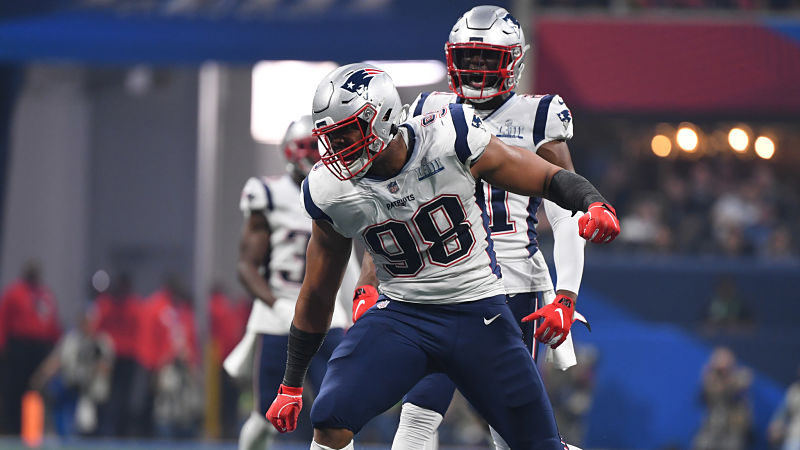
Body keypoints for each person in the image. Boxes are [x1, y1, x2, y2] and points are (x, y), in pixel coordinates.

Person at [265, 62, 619, 450]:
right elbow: (317, 292)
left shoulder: (450, 136)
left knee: (537, 444)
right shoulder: (330, 189)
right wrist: (291, 383)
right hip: (402, 316)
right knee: (330, 417)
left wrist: (594, 203)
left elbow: (545, 176)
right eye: (331, 138)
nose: (337, 150)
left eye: (348, 132)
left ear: (382, 118)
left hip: (478, 312)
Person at [350, 6, 590, 449]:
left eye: (486, 58)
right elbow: (396, 207)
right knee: (417, 418)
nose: (476, 69)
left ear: (515, 60)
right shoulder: (428, 110)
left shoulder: (538, 114)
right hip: (443, 284)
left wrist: (566, 294)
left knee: (512, 438)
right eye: (468, 58)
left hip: (512, 283)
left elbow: (565, 213)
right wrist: (369, 282)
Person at [224, 115, 360, 450]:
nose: (317, 155)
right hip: (279, 315)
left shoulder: (341, 191)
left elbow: (349, 262)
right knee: (267, 416)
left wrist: (358, 309)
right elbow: (246, 266)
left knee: (338, 411)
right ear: (290, 152)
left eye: (321, 147)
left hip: (327, 316)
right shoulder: (267, 193)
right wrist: (276, 304)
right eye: (309, 147)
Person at [0, 260, 61, 435]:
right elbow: (3, 321)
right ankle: (11, 429)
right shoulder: (14, 293)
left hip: (39, 348)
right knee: (14, 390)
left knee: (36, 389)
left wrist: (54, 348)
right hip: (18, 347)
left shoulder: (45, 296)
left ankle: (32, 431)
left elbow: (52, 323)